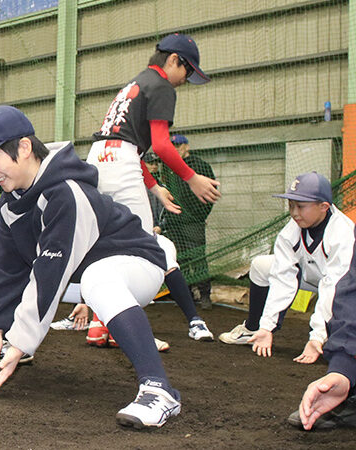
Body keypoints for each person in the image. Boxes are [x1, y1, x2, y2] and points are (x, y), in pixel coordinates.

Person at [0, 105, 181, 429]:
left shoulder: (68, 193)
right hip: (80, 274)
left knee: (95, 278)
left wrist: (22, 339)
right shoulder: (11, 203)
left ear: (24, 147)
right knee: (62, 277)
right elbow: (4, 267)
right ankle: (12, 345)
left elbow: (50, 273)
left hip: (137, 265)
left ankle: (159, 389)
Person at [86, 33, 217, 344]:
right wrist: (192, 178)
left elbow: (123, 143)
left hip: (98, 159)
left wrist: (155, 187)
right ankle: (129, 330)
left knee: (110, 244)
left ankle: (99, 324)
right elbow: (160, 144)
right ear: (173, 60)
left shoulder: (134, 85)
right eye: (187, 70)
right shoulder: (161, 86)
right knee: (145, 251)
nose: (185, 80)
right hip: (122, 164)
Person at [219, 173, 356, 367]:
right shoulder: (292, 230)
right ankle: (252, 328)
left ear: (324, 207)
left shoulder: (342, 233)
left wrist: (317, 336)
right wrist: (266, 327)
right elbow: (283, 278)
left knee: (340, 342)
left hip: (346, 288)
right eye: (291, 205)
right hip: (313, 276)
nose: (294, 212)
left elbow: (332, 286)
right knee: (261, 266)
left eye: (301, 206)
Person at [163, 134, 215, 309]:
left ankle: (205, 295)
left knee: (197, 257)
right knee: (180, 260)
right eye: (172, 146)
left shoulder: (199, 166)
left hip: (193, 222)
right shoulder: (168, 167)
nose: (175, 149)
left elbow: (210, 192)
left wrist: (198, 216)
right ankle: (186, 295)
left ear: (186, 146)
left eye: (178, 145)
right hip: (174, 222)